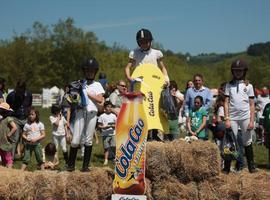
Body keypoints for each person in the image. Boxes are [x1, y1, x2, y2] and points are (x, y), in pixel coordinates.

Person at [66, 57, 105, 172]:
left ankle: (85, 166)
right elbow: (72, 97)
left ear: (95, 72)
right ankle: (70, 165)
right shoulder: (79, 83)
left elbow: (100, 99)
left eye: (92, 71)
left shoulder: (97, 85)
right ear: (84, 71)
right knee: (75, 140)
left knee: (88, 139)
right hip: (80, 112)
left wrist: (87, 93)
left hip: (92, 113)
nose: (89, 72)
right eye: (87, 70)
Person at [224, 59, 257, 173]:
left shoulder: (249, 86)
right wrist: (227, 118)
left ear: (244, 71)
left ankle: (251, 166)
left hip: (245, 117)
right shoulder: (228, 85)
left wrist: (252, 121)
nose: (238, 72)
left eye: (240, 70)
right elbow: (226, 103)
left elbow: (252, 105)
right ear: (232, 72)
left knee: (247, 141)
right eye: (235, 71)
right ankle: (227, 167)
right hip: (232, 117)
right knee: (230, 142)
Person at [6, 80, 32, 157]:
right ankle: (11, 158)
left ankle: (26, 158)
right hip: (15, 119)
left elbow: (29, 105)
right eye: (18, 89)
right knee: (15, 139)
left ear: (24, 89)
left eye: (21, 90)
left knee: (27, 139)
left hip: (26, 119)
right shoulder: (11, 95)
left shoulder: (29, 95)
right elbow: (7, 107)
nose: (19, 91)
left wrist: (29, 115)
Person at [21, 106, 45, 171]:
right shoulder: (26, 125)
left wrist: (36, 139)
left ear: (36, 115)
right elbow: (23, 135)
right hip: (28, 145)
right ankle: (20, 172)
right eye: (29, 114)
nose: (31, 116)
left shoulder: (40, 124)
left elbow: (43, 135)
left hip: (37, 144)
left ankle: (43, 171)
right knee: (26, 158)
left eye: (32, 114)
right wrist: (26, 138)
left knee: (40, 158)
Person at [98, 101, 117, 165]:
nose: (109, 108)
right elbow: (99, 125)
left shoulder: (114, 116)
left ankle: (114, 158)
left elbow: (117, 124)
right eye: (108, 107)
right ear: (105, 108)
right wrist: (104, 127)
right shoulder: (102, 116)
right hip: (105, 133)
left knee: (114, 146)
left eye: (110, 107)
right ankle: (106, 160)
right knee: (106, 147)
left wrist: (113, 126)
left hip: (113, 133)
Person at [0, 102, 17, 168]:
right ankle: (5, 171)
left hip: (6, 142)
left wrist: (9, 134)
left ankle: (9, 171)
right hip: (1, 141)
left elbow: (14, 127)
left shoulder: (8, 118)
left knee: (8, 158)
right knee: (3, 157)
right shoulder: (1, 119)